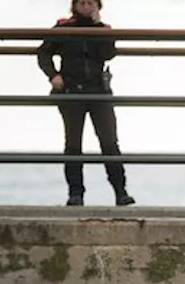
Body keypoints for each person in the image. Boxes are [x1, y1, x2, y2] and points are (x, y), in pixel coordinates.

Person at [37, 0, 135, 207]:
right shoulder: (63, 27)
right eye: (82, 2)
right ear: (75, 6)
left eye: (91, 3)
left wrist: (98, 26)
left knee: (109, 142)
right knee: (73, 144)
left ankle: (120, 192)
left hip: (99, 91)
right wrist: (53, 75)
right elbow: (43, 53)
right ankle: (76, 194)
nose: (87, 6)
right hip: (71, 90)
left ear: (98, 6)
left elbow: (109, 54)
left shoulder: (104, 29)